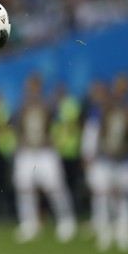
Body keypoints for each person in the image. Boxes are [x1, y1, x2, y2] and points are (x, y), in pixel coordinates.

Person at [12, 74, 77, 243]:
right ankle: (29, 222)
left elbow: (60, 125)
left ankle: (66, 220)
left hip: (45, 151)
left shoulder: (47, 105)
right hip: (26, 151)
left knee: (54, 186)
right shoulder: (22, 106)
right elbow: (17, 127)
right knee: (24, 188)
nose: (31, 89)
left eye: (34, 86)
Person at [82, 73, 128, 251]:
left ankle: (124, 231)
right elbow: (94, 131)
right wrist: (90, 153)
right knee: (103, 194)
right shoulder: (105, 108)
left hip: (124, 159)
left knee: (124, 195)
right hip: (106, 158)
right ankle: (105, 230)